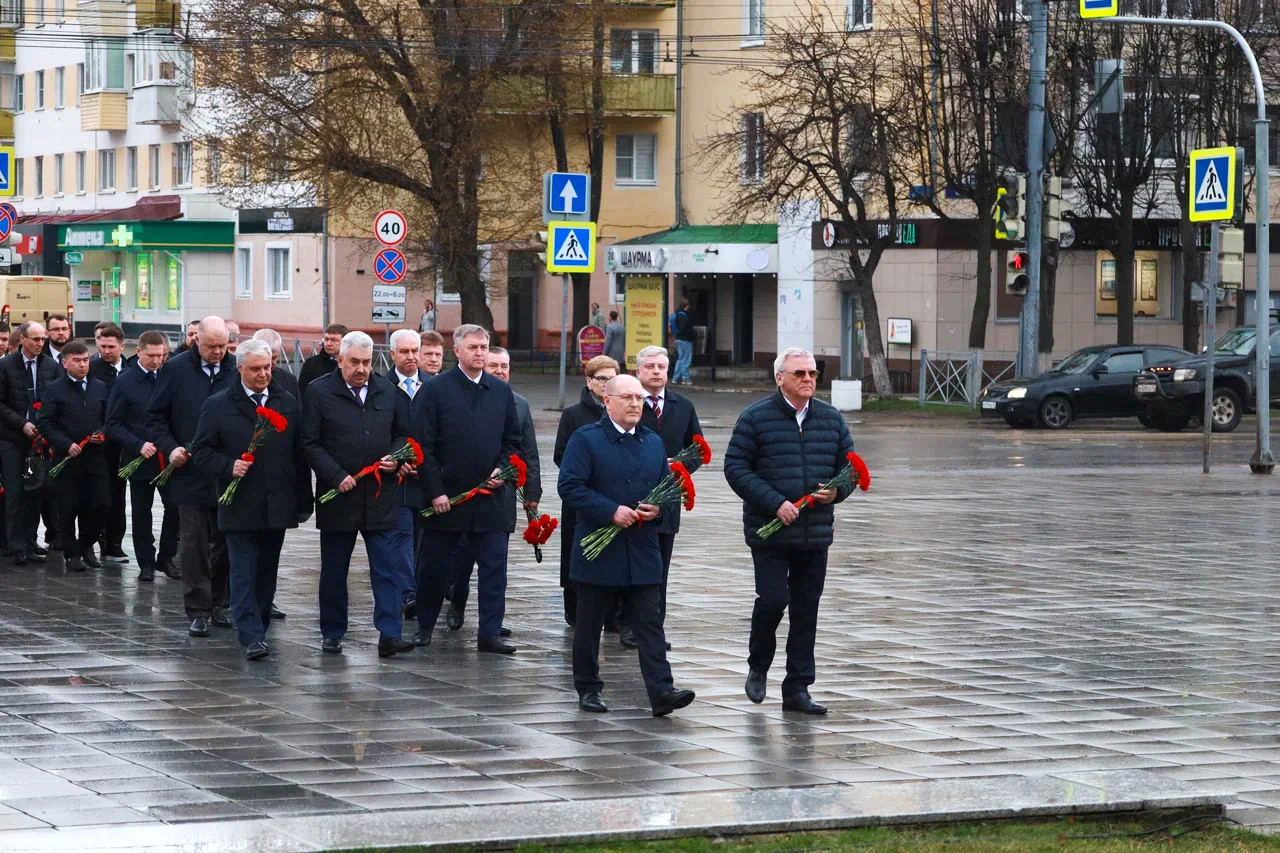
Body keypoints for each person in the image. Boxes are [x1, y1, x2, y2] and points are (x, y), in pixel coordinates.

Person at [723, 347, 857, 715]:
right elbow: (735, 467)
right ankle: (758, 665)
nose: (808, 380)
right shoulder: (756, 418)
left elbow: (849, 467)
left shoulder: (831, 419)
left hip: (814, 532)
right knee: (772, 600)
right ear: (779, 377)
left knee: (805, 609)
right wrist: (774, 502)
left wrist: (837, 491)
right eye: (800, 373)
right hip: (770, 531)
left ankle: (797, 688)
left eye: (813, 373)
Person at [558, 374, 695, 716]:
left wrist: (659, 509)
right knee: (589, 625)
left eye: (639, 398)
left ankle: (662, 691)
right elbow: (570, 486)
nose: (636, 404)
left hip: (642, 549)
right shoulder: (586, 439)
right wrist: (610, 511)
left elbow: (667, 490)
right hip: (599, 548)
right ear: (608, 401)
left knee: (649, 623)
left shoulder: (652, 442)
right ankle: (588, 688)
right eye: (628, 398)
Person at [194, 340, 312, 660]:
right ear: (240, 368)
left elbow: (299, 454)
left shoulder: (286, 401)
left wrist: (303, 501)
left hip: (277, 501)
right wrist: (228, 465)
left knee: (267, 571)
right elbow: (201, 451)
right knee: (243, 569)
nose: (264, 374)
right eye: (256, 369)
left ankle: (259, 624)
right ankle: (250, 635)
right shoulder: (219, 404)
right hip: (239, 502)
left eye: (268, 368)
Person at [302, 331, 415, 657]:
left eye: (366, 362)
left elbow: (402, 433)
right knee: (335, 570)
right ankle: (333, 632)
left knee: (387, 567)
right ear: (340, 361)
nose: (361, 369)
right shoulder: (320, 392)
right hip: (339, 497)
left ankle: (390, 634)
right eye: (354, 362)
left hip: (381, 494)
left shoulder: (386, 391)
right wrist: (335, 475)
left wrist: (396, 456)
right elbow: (309, 443)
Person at [412, 324, 522, 653]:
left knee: (494, 569)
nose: (479, 353)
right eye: (473, 347)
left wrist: (503, 468)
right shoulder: (435, 390)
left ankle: (489, 633)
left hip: (491, 500)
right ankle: (425, 625)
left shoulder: (501, 392)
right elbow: (423, 446)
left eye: (484, 347)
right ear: (456, 350)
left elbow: (512, 441)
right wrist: (435, 491)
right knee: (434, 567)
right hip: (448, 499)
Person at [147, 316, 238, 637]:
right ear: (195, 340)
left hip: (227, 472)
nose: (217, 352)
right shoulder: (176, 369)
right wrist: (169, 448)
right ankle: (198, 610)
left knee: (227, 541)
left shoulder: (235, 369)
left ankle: (220, 602)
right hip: (188, 471)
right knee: (194, 543)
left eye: (222, 346)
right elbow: (155, 418)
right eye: (211, 346)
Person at [446, 345, 540, 632]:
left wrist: (532, 496)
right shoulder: (465, 399)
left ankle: (492, 623)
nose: (500, 371)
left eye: (504, 366)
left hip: (501, 496)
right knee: (462, 559)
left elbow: (528, 452)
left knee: (496, 563)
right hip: (466, 495)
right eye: (494, 366)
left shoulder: (520, 404)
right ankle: (456, 603)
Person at [622, 344, 703, 650]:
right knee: (631, 565)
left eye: (662, 367)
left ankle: (653, 628)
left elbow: (697, 447)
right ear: (638, 371)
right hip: (632, 497)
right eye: (651, 367)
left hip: (667, 499)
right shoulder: (628, 402)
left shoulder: (682, 405)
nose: (657, 372)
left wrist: (679, 468)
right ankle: (627, 624)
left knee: (659, 567)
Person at [106, 330, 180, 583]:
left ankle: (167, 557)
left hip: (169, 457)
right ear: (138, 352)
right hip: (140, 458)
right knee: (141, 512)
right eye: (152, 356)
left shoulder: (171, 377)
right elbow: (113, 423)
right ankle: (146, 562)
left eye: (162, 355)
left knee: (175, 507)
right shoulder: (125, 381)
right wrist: (137, 445)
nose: (158, 361)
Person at [553, 355, 617, 628]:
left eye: (611, 378)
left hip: (615, 498)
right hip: (582, 498)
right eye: (601, 378)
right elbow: (561, 455)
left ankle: (614, 615)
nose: (606, 384)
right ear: (589, 381)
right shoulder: (573, 414)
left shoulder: (622, 410)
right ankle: (575, 609)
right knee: (577, 551)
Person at [37, 341, 109, 573]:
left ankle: (86, 544)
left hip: (95, 457)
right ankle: (72, 553)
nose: (82, 365)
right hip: (67, 459)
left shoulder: (99, 386)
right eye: (76, 361)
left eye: (86, 360)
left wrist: (103, 434)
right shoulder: (54, 388)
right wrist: (66, 444)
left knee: (100, 504)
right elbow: (46, 423)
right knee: (68, 507)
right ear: (64, 362)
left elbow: (109, 419)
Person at [0, 322, 59, 564]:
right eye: (35, 339)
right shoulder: (5, 366)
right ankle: (15, 545)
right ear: (21, 339)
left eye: (42, 339)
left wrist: (45, 428)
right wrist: (21, 423)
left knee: (34, 490)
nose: (39, 344)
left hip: (39, 440)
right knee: (14, 491)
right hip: (12, 437)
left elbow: (53, 400)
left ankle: (30, 541)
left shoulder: (51, 366)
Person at [386, 328, 432, 617]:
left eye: (415, 351)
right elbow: (381, 430)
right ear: (392, 354)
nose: (411, 357)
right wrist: (397, 456)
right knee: (402, 535)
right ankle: (408, 595)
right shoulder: (382, 387)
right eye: (404, 351)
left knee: (424, 539)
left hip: (427, 479)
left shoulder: (432, 386)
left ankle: (423, 589)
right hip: (397, 480)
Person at [90, 324, 129, 567]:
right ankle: (95, 538)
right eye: (102, 346)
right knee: (99, 495)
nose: (106, 351)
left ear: (121, 346)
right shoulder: (92, 369)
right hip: (99, 443)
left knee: (119, 494)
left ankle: (114, 541)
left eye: (111, 347)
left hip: (124, 443)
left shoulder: (131, 368)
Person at [298, 324, 348, 398]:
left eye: (334, 340)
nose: (328, 344)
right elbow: (301, 393)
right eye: (326, 339)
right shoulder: (311, 364)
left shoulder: (351, 364)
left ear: (345, 342)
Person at [252, 328, 301, 400]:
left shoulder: (289, 380)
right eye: (264, 357)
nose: (269, 364)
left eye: (274, 358)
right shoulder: (241, 376)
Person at [672, 299, 695, 386]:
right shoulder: (683, 316)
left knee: (680, 359)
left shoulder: (678, 313)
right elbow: (684, 328)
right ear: (687, 306)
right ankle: (686, 379)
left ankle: (675, 378)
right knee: (686, 360)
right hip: (685, 340)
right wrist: (692, 335)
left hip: (678, 339)